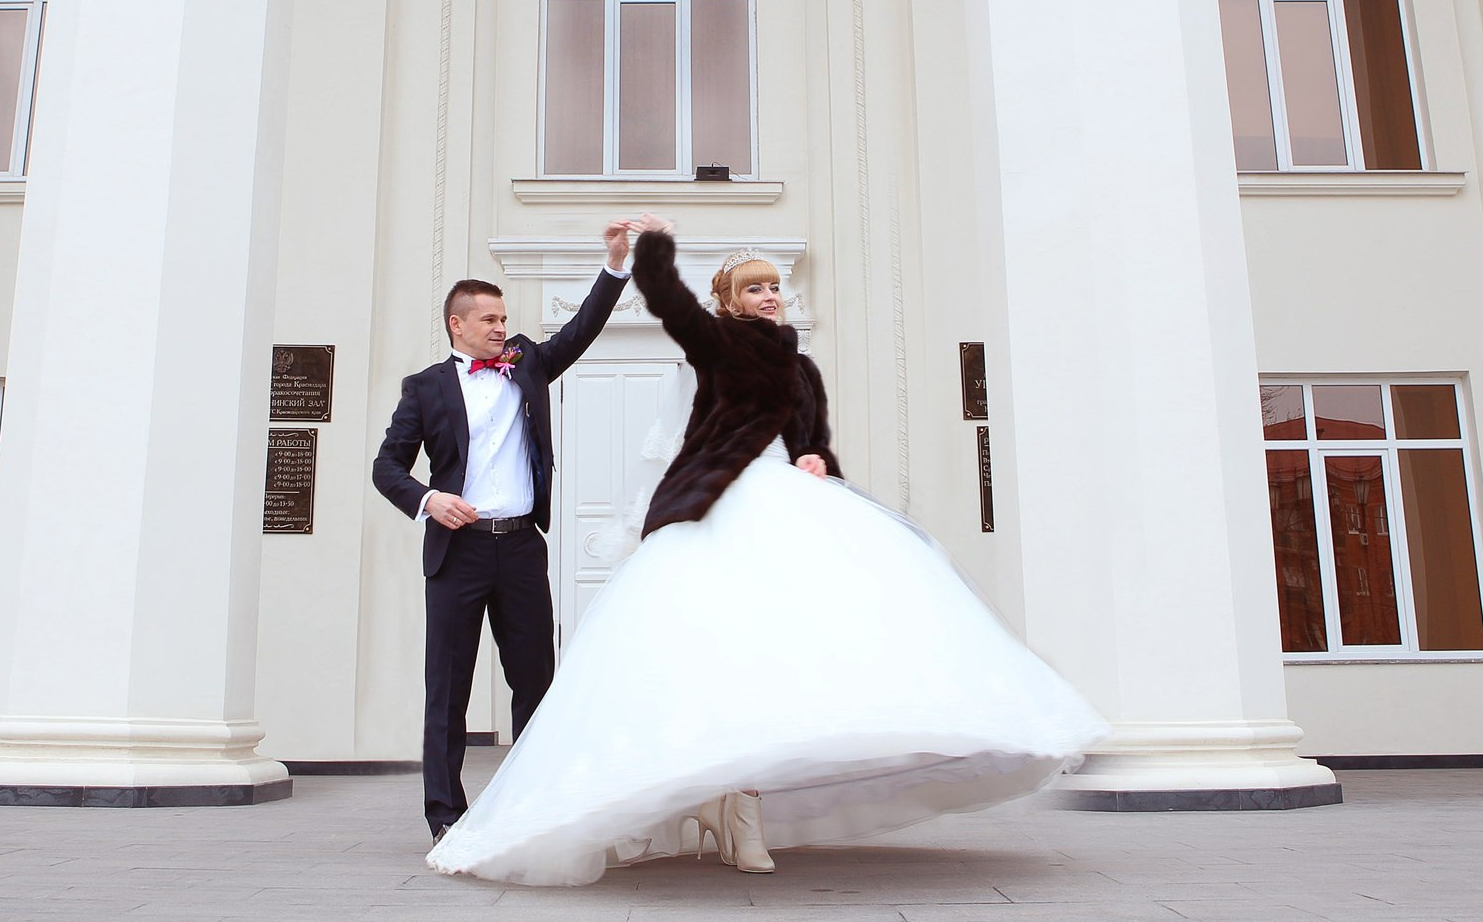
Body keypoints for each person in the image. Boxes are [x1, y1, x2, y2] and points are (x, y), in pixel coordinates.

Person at [426, 217, 1108, 886]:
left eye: (774, 287)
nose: (771, 296)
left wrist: (815, 460)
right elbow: (675, 442)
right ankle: (694, 800)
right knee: (711, 651)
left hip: (786, 503)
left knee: (791, 646)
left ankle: (741, 806)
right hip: (720, 503)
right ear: (729, 301)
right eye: (755, 289)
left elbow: (810, 435)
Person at [372, 221, 635, 841]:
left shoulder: (528, 365)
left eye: (503, 317)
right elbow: (388, 467)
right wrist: (429, 499)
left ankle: (532, 804)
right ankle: (446, 819)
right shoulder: (425, 388)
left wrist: (615, 264)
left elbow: (582, 328)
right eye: (486, 318)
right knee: (449, 689)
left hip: (520, 547)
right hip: (456, 552)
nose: (498, 326)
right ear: (456, 325)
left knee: (535, 683)